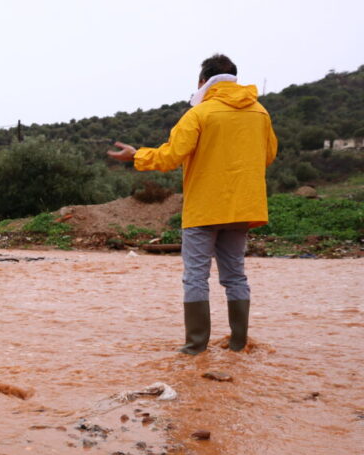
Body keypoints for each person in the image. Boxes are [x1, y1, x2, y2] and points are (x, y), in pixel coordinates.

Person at [107, 54, 278, 354]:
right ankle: (238, 345)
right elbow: (268, 156)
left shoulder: (200, 113)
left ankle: (196, 348)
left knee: (196, 277)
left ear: (203, 82)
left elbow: (170, 156)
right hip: (242, 208)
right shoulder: (260, 113)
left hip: (204, 209)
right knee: (235, 276)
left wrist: (136, 155)